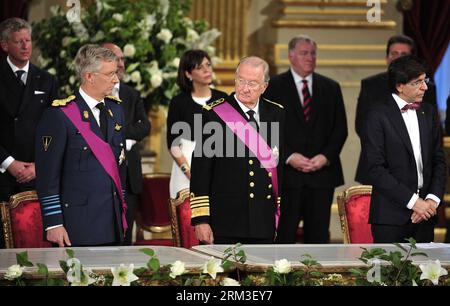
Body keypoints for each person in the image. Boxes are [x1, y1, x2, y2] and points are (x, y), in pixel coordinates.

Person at [35, 44, 127, 247]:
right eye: (110, 74)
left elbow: (119, 167)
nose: (116, 79)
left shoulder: (115, 110)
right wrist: (53, 223)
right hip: (77, 225)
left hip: (113, 222)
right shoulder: (60, 115)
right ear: (89, 76)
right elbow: (47, 176)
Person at [190, 56, 285, 244]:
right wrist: (201, 220)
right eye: (241, 80)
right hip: (225, 221)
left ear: (264, 87)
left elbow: (279, 169)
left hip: (263, 221)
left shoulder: (277, 113)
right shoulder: (213, 114)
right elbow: (201, 171)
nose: (245, 88)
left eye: (252, 83)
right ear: (235, 79)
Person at [264, 34, 347, 244]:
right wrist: (289, 156)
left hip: (322, 176)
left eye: (312, 53)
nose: (310, 58)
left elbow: (340, 129)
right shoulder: (273, 87)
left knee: (318, 237)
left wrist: (325, 156)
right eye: (304, 53)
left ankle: (316, 278)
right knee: (283, 236)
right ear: (291, 56)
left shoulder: (331, 87)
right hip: (287, 176)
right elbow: (266, 130)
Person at [365, 55, 446, 243]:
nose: (425, 87)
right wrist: (414, 203)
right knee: (390, 273)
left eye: (424, 80)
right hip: (390, 218)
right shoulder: (377, 115)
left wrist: (431, 202)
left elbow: (438, 160)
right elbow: (376, 169)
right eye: (417, 82)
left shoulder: (428, 111)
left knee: (425, 273)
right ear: (400, 86)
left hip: (425, 216)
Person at [0, 18, 58, 248]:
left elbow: (53, 129)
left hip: (36, 175)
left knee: (37, 247)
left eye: (28, 40)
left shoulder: (47, 79)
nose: (25, 46)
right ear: (5, 45)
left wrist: (38, 164)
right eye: (18, 41)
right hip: (4, 174)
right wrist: (9, 163)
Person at [355, 35, 438, 184]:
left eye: (403, 55)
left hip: (418, 171)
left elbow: (432, 131)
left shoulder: (428, 88)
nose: (398, 58)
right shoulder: (370, 85)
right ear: (387, 57)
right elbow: (362, 126)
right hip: (377, 169)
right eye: (394, 54)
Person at [102, 42, 151, 246]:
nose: (121, 64)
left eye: (123, 59)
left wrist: (120, 133)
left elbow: (145, 126)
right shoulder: (94, 93)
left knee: (125, 235)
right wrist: (126, 134)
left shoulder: (132, 94)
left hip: (129, 177)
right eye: (116, 59)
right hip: (103, 176)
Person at [167, 49, 227, 199]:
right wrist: (190, 174)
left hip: (218, 165)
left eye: (208, 65)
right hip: (185, 167)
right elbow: (173, 144)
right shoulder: (178, 102)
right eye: (200, 67)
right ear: (188, 74)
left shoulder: (223, 99)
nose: (207, 70)